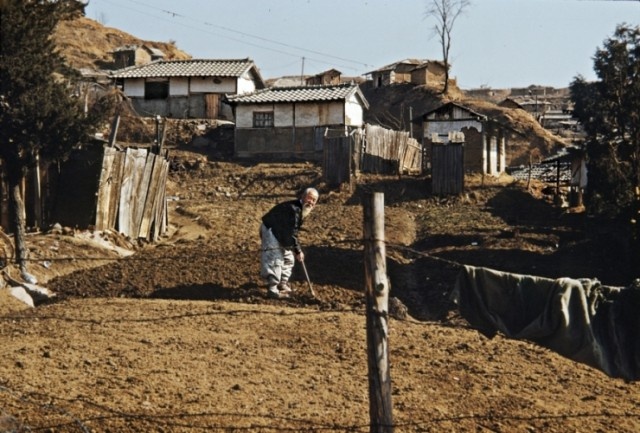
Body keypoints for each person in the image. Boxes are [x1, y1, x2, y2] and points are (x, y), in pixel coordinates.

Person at [260, 187, 319, 299]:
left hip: (282, 233)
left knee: (289, 259)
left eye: (314, 200)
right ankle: (272, 290)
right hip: (271, 230)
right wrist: (298, 250)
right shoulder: (294, 209)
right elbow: (292, 232)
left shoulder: (303, 209)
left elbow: (291, 232)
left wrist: (296, 250)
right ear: (302, 197)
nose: (311, 202)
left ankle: (282, 284)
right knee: (275, 259)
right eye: (309, 198)